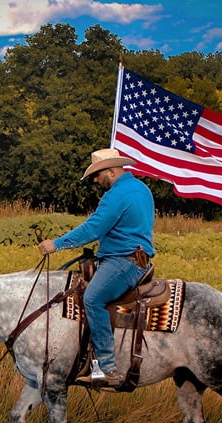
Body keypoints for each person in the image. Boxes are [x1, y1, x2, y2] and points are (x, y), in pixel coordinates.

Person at [38, 148, 155, 388]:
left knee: (92, 299)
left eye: (97, 174)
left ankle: (106, 368)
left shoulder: (116, 195)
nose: (95, 180)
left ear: (111, 171)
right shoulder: (142, 189)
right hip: (136, 258)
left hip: (123, 262)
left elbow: (93, 229)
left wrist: (56, 244)